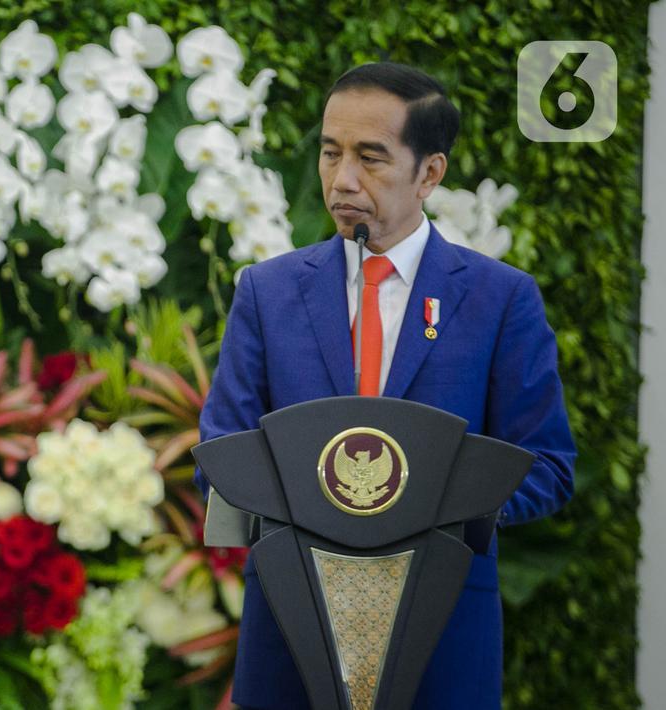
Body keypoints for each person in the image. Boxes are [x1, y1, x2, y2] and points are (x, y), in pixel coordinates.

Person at [197, 62, 576, 709]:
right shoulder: (266, 292)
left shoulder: (498, 299)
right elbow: (221, 456)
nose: (342, 180)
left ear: (429, 172)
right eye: (329, 153)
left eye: (370, 159)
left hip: (443, 628)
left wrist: (428, 508)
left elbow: (547, 466)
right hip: (291, 625)